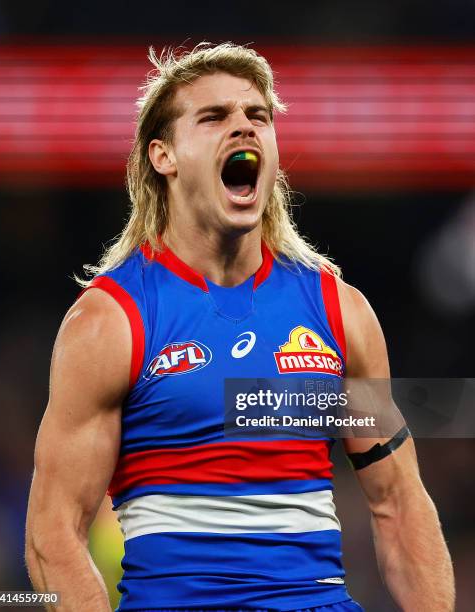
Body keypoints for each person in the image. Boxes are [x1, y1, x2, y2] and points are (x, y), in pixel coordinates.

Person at [25, 43, 455, 611]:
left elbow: (397, 501)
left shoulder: (338, 312)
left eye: (259, 116)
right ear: (164, 156)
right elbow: (53, 534)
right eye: (214, 117)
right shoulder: (110, 322)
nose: (244, 128)